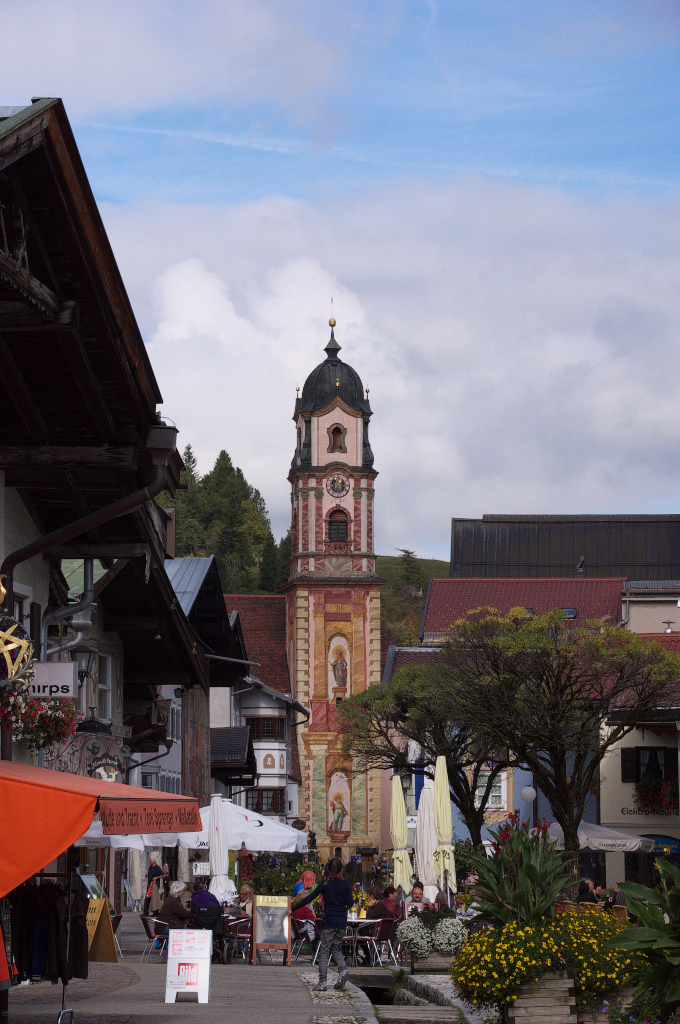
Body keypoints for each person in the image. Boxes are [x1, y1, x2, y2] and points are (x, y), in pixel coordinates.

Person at [293, 856, 354, 992]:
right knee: (336, 948)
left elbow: (309, 898)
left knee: (325, 951)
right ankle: (343, 970)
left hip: (329, 921)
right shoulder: (345, 885)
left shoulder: (325, 884)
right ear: (341, 869)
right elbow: (350, 903)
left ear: (327, 869)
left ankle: (322, 982)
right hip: (341, 921)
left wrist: (292, 909)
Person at [292, 881, 318, 946]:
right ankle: (317, 947)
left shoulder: (296, 909)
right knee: (324, 932)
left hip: (298, 932)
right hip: (305, 933)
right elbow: (314, 920)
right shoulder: (304, 909)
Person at [144, 852, 164, 917]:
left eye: (150, 860)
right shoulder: (150, 867)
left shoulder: (157, 867)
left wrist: (157, 877)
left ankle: (155, 912)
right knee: (147, 898)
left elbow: (163, 875)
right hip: (149, 885)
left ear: (153, 861)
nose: (149, 861)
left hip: (155, 886)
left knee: (154, 899)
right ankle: (146, 912)